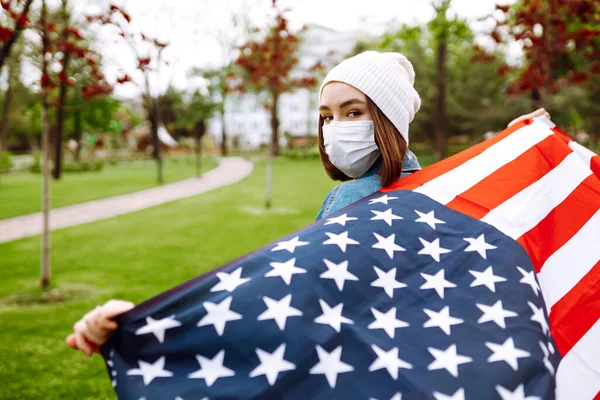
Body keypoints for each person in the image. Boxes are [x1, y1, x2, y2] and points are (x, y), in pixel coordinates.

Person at [65, 51, 549, 357]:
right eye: (327, 115)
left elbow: (278, 299)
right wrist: (508, 154)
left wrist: (150, 325)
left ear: (389, 119)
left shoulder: (358, 200)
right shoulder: (442, 195)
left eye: (353, 112)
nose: (335, 127)